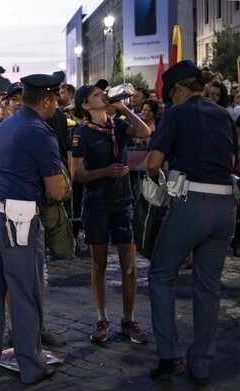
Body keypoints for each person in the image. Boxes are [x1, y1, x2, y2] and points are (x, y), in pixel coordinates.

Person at [145, 60, 238, 386]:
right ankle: (201, 365)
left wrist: (159, 179)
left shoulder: (176, 113)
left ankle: (168, 356)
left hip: (191, 202)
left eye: (170, 96)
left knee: (160, 275)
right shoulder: (224, 114)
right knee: (208, 287)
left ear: (179, 90)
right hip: (226, 205)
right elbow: (231, 161)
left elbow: (152, 162)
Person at [0, 72, 67, 384]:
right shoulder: (41, 131)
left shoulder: (8, 122)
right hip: (16, 217)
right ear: (49, 100)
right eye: (55, 101)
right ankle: (31, 365)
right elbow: (55, 191)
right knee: (25, 292)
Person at [71, 79, 151, 345]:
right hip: (96, 204)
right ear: (85, 104)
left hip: (123, 201)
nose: (103, 96)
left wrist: (124, 109)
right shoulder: (82, 133)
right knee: (99, 264)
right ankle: (102, 317)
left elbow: (143, 131)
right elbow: (77, 174)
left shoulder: (117, 124)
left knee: (129, 265)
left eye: (103, 93)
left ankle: (128, 319)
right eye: (97, 94)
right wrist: (106, 171)